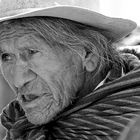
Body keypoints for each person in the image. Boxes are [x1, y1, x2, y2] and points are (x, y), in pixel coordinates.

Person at [0, 0, 140, 140]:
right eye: (6, 56)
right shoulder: (17, 124)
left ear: (88, 54)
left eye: (32, 52)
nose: (18, 81)